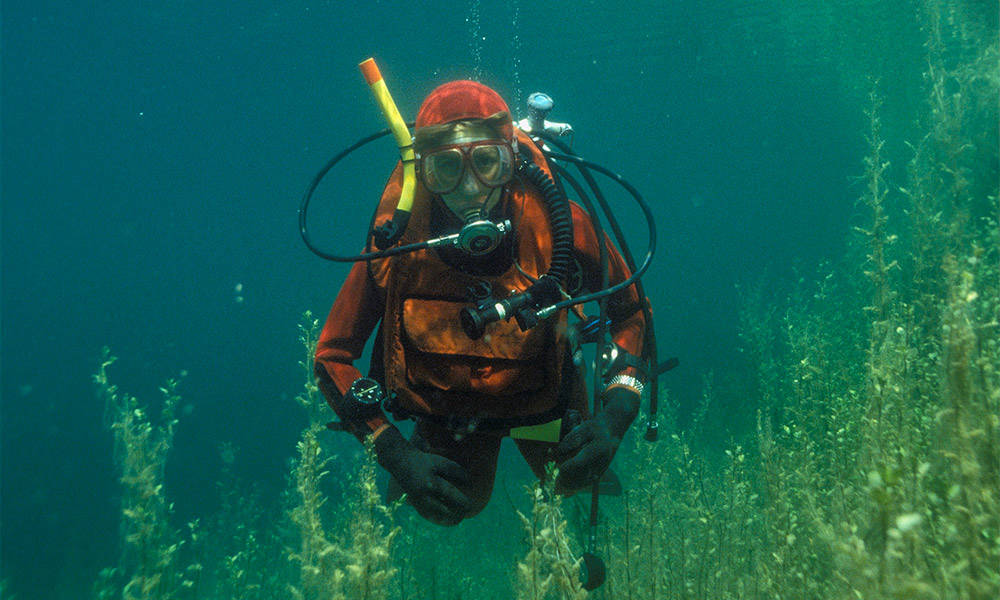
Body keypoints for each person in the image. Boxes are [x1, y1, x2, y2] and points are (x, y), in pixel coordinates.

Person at [314, 80, 647, 526]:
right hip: (451, 417)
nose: (471, 189)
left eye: (487, 162)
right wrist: (394, 453)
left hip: (543, 404)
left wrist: (616, 417)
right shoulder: (397, 242)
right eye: (447, 168)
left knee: (572, 479)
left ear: (513, 161)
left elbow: (632, 312)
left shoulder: (561, 226)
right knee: (452, 505)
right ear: (422, 173)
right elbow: (331, 355)